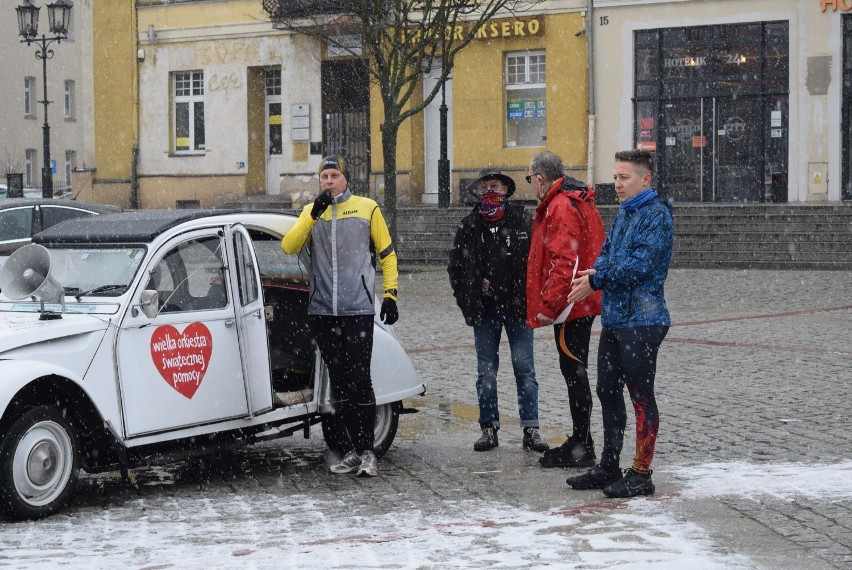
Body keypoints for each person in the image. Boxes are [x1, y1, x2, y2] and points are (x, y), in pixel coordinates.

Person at [564, 149, 674, 498]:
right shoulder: (626, 214)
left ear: (645, 180)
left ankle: (641, 473)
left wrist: (598, 279)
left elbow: (639, 266)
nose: (617, 184)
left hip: (643, 320)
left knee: (640, 395)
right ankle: (609, 465)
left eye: (623, 177)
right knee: (607, 390)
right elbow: (607, 255)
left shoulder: (656, 216)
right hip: (615, 318)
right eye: (615, 177)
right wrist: (600, 272)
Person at [281, 155, 399, 478]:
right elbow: (289, 247)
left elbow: (388, 255)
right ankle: (349, 451)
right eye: (324, 176)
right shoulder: (311, 213)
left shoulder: (367, 208)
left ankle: (368, 453)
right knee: (340, 383)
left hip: (357, 309)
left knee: (361, 380)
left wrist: (390, 294)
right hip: (323, 311)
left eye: (334, 175)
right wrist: (313, 215)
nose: (329, 181)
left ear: (345, 179)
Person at [447, 169, 548, 453]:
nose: (490, 191)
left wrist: (531, 298)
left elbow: (536, 262)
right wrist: (467, 301)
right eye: (485, 186)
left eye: (496, 186)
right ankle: (488, 428)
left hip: (518, 309)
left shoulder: (522, 221)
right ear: (478, 192)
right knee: (486, 372)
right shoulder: (469, 225)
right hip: (485, 310)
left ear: (506, 190)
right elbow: (456, 268)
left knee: (525, 370)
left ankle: (531, 429)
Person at [525, 151, 606, 469]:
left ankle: (582, 444)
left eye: (530, 179)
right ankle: (580, 440)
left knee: (574, 372)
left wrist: (549, 306)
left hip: (571, 305)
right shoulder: (577, 200)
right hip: (579, 302)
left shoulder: (560, 205)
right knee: (575, 371)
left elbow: (565, 263)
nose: (531, 185)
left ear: (541, 179)